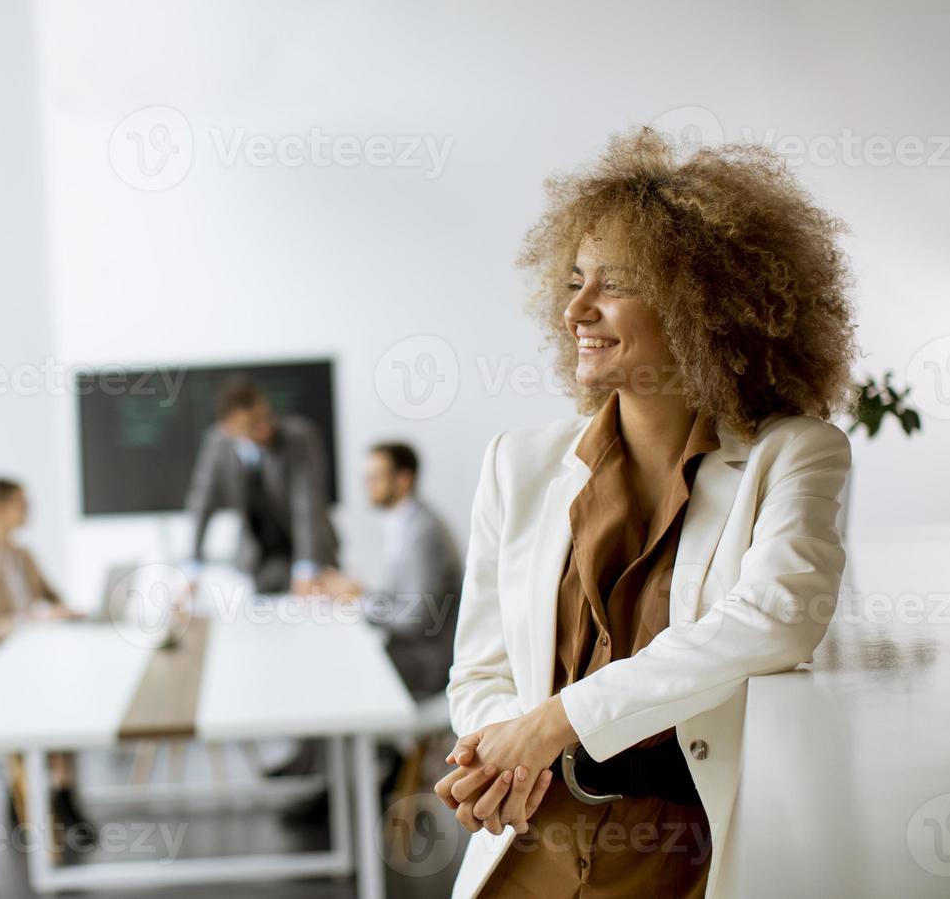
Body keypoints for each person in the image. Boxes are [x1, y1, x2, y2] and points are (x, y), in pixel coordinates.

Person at [435, 128, 856, 898]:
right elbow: (481, 666)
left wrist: (556, 720)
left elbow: (776, 617)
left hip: (679, 854)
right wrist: (505, 753)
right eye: (573, 281)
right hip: (529, 844)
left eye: (613, 285)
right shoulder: (517, 463)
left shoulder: (794, 454)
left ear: (702, 303)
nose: (577, 311)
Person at [0, 478, 91, 843]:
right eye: (21, 503)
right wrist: (24, 621)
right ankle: (36, 796)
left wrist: (64, 611)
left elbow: (53, 598)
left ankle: (60, 792)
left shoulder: (24, 557)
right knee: (49, 705)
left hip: (33, 668)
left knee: (66, 702)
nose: (28, 511)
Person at [316, 442, 462, 697]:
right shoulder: (404, 522)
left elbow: (415, 617)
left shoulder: (422, 532)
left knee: (336, 671)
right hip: (408, 650)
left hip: (426, 663)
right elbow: (400, 601)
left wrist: (359, 600)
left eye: (376, 477)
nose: (367, 485)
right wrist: (358, 592)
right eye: (367, 478)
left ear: (403, 479)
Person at [184, 375, 338, 595]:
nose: (263, 428)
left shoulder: (299, 437)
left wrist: (306, 569)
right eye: (251, 425)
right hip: (258, 560)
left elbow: (307, 506)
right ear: (227, 428)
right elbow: (201, 504)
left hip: (308, 555)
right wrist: (192, 568)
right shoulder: (216, 444)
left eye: (264, 417)